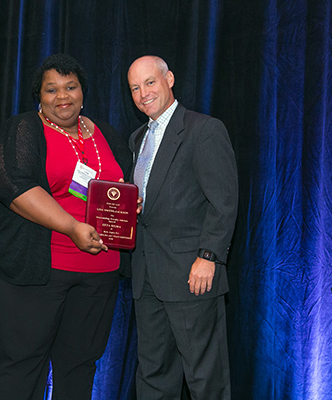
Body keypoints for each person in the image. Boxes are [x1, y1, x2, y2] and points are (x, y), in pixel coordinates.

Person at [0, 54, 133, 400]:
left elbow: (121, 186)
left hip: (98, 273)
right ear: (39, 97)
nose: (62, 96)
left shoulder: (105, 133)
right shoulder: (24, 129)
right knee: (22, 367)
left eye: (70, 87)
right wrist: (72, 227)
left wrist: (130, 204)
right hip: (33, 274)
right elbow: (13, 188)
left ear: (83, 92)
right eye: (52, 90)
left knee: (79, 367)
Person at [127, 55, 239, 399]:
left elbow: (224, 200)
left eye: (150, 82)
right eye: (134, 87)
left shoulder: (203, 130)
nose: (143, 93)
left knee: (205, 378)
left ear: (169, 79)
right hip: (147, 277)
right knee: (153, 375)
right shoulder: (137, 139)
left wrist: (209, 256)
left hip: (192, 276)